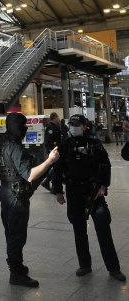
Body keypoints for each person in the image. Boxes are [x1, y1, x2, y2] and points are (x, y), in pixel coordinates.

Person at [52, 114, 126, 282]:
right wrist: (58, 191)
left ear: (84, 126)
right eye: (71, 124)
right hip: (73, 191)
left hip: (93, 191)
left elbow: (106, 165)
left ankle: (113, 268)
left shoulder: (95, 144)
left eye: (76, 124)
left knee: (103, 227)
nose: (73, 127)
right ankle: (85, 265)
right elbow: (57, 170)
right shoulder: (65, 146)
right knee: (79, 229)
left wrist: (103, 187)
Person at [0, 113, 59, 287]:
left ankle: (16, 264)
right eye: (23, 126)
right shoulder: (15, 148)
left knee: (11, 232)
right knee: (17, 235)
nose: (26, 129)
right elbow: (30, 175)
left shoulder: (5, 143)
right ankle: (16, 274)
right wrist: (49, 161)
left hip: (6, 191)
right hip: (16, 196)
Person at [41, 112, 61, 192]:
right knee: (56, 168)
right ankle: (52, 186)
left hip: (56, 151)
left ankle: (49, 184)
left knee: (56, 168)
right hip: (53, 152)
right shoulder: (51, 128)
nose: (59, 119)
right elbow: (49, 141)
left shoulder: (56, 127)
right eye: (58, 117)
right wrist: (51, 151)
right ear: (55, 118)